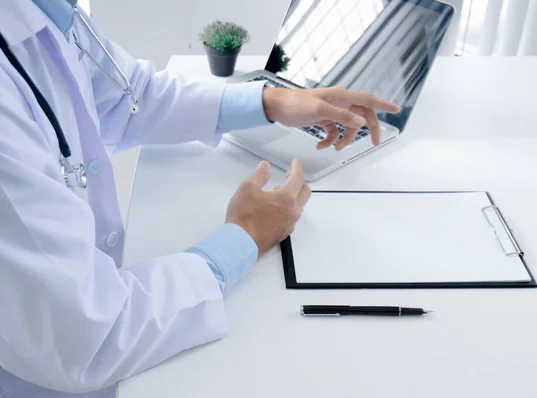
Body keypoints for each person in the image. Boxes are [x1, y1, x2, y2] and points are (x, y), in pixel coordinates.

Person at [0, 1, 400, 397]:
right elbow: (84, 336)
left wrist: (272, 102)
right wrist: (243, 237)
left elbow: (128, 93)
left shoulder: (46, 9)